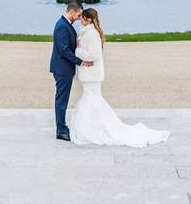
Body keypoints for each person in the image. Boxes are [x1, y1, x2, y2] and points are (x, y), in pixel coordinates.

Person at [69, 8, 170, 147]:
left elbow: (94, 55)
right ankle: (94, 127)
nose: (80, 19)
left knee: (90, 100)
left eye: (83, 17)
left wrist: (77, 51)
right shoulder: (87, 32)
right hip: (90, 74)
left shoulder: (91, 34)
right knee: (92, 100)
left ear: (89, 19)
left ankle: (93, 129)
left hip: (91, 74)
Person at [48, 1, 90, 141]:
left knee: (63, 100)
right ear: (71, 11)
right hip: (62, 69)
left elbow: (68, 45)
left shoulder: (65, 25)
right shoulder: (61, 26)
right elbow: (64, 50)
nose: (79, 18)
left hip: (63, 68)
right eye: (78, 15)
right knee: (62, 100)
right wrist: (81, 62)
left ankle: (62, 126)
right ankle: (60, 130)